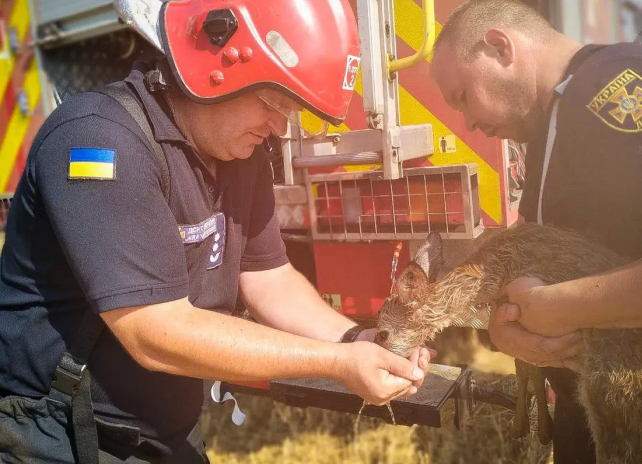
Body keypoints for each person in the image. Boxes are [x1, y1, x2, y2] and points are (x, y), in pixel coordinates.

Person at [0, 0, 431, 462]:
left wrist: (355, 340)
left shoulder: (240, 155)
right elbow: (156, 332)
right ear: (217, 67)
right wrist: (338, 365)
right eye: (273, 103)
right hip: (57, 429)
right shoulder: (97, 141)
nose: (278, 127)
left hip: (158, 429)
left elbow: (271, 280)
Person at [430, 0, 642, 462]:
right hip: (613, 408)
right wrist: (510, 325)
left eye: (463, 97)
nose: (468, 121)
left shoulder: (600, 96)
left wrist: (557, 307)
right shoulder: (555, 121)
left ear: (499, 47)